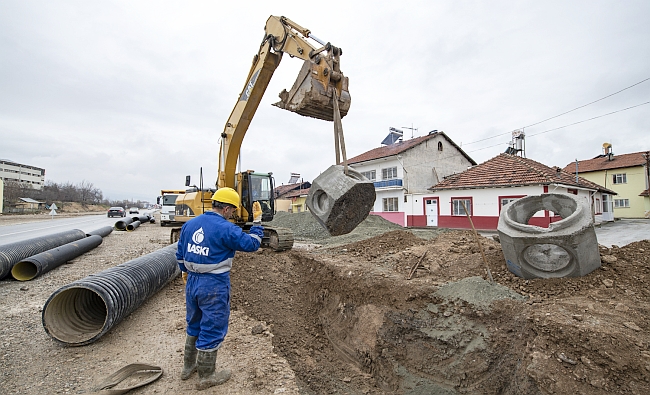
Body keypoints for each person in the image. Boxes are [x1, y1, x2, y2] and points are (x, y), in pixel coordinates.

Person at [175, 187, 263, 390]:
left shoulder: (190, 225)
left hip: (192, 283)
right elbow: (252, 244)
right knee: (212, 327)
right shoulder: (226, 229)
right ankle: (206, 376)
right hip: (213, 284)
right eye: (232, 210)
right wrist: (257, 222)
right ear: (226, 209)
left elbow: (179, 253)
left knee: (194, 322)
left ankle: (188, 368)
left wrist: (184, 271)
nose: (232, 214)